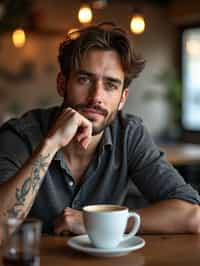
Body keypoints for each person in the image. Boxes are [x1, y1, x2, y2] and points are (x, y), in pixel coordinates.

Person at [0, 23, 200, 235]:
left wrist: (95, 222)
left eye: (111, 85)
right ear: (62, 84)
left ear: (122, 99)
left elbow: (192, 215)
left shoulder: (128, 134)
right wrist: (50, 145)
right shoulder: (20, 134)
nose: (96, 97)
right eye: (84, 79)